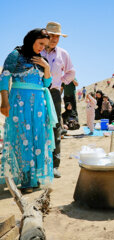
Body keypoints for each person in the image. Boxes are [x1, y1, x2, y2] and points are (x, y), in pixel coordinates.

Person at [0, 28, 56, 193]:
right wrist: (4, 102)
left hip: (39, 105)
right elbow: (4, 78)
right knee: (22, 139)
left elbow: (46, 84)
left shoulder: (41, 59)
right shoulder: (15, 55)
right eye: (40, 43)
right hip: (19, 103)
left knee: (38, 138)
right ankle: (26, 180)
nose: (42, 48)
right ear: (31, 40)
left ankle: (36, 177)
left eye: (45, 45)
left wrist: (46, 68)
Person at [41, 22, 75, 178]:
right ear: (45, 35)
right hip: (37, 93)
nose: (54, 39)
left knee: (55, 127)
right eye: (52, 35)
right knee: (38, 126)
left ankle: (55, 165)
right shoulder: (36, 51)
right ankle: (40, 163)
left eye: (57, 36)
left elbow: (71, 73)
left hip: (53, 93)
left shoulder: (63, 54)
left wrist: (60, 84)